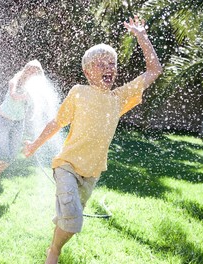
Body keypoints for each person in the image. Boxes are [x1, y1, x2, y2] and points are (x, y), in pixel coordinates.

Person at [23, 16, 162, 263]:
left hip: (92, 172)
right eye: (101, 64)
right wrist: (35, 145)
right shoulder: (79, 93)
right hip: (66, 166)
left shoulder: (119, 98)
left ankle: (54, 247)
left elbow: (155, 70)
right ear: (88, 71)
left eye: (112, 63)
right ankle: (53, 253)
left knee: (69, 221)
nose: (109, 67)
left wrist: (141, 36)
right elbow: (56, 122)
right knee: (74, 220)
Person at [0, 60, 44, 182]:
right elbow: (13, 95)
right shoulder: (14, 81)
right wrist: (26, 96)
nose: (32, 72)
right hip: (2, 120)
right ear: (25, 70)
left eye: (35, 71)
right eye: (30, 69)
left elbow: (34, 107)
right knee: (4, 153)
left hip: (18, 123)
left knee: (11, 156)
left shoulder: (35, 90)